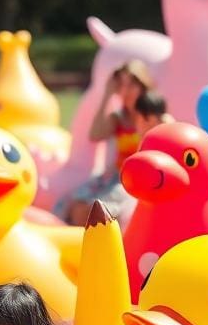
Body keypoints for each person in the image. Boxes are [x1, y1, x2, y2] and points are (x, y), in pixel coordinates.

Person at [55, 59, 154, 225]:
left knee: (96, 212)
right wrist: (107, 95)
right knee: (73, 205)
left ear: (142, 86)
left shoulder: (152, 117)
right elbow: (95, 135)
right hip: (114, 176)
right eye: (121, 85)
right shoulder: (118, 118)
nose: (125, 91)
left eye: (131, 85)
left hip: (135, 180)